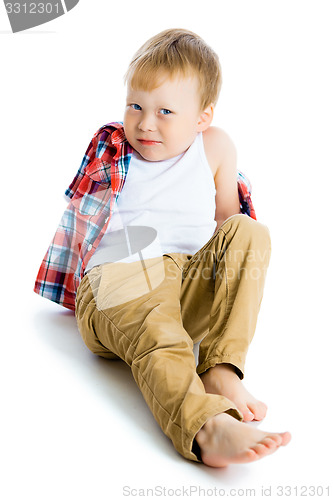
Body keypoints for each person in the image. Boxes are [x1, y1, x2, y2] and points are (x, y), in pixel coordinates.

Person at [34, 28, 291, 467]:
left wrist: (222, 274)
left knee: (251, 232)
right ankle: (205, 427)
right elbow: (79, 217)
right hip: (118, 280)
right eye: (136, 105)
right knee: (158, 327)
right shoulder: (116, 149)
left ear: (202, 118)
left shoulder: (215, 147)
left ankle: (221, 369)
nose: (145, 123)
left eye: (165, 111)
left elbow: (229, 226)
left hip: (183, 282)